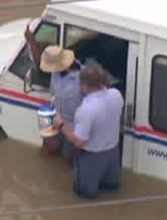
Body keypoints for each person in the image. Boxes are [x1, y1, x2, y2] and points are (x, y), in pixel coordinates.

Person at [53, 64, 124, 199]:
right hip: (113, 153)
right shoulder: (116, 95)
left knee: (85, 193)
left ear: (84, 85)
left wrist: (61, 125)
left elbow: (79, 142)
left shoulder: (87, 109)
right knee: (112, 188)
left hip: (92, 157)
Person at [25, 26, 83, 165]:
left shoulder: (82, 79)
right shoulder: (56, 71)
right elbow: (40, 64)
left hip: (73, 125)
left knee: (69, 159)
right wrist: (32, 41)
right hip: (53, 114)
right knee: (45, 149)